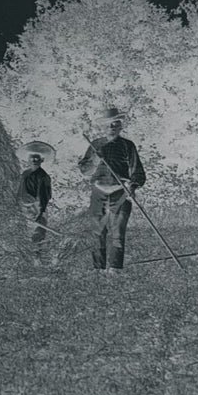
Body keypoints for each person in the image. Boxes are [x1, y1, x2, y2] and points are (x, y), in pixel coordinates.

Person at [77, 106, 146, 271]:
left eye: (115, 124)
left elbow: (138, 172)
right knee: (97, 232)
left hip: (120, 194)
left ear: (121, 126)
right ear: (103, 127)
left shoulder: (127, 145)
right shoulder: (95, 144)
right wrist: (94, 160)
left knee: (117, 232)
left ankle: (115, 268)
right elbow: (84, 171)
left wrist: (133, 186)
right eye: (108, 124)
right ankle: (98, 268)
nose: (112, 127)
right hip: (98, 193)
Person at [16, 140, 54, 244]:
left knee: (37, 231)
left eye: (37, 159)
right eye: (32, 158)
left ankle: (37, 247)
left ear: (41, 160)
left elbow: (44, 196)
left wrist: (40, 213)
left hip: (36, 208)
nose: (34, 160)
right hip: (24, 206)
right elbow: (20, 190)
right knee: (22, 232)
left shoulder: (43, 176)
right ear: (28, 160)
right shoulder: (25, 174)